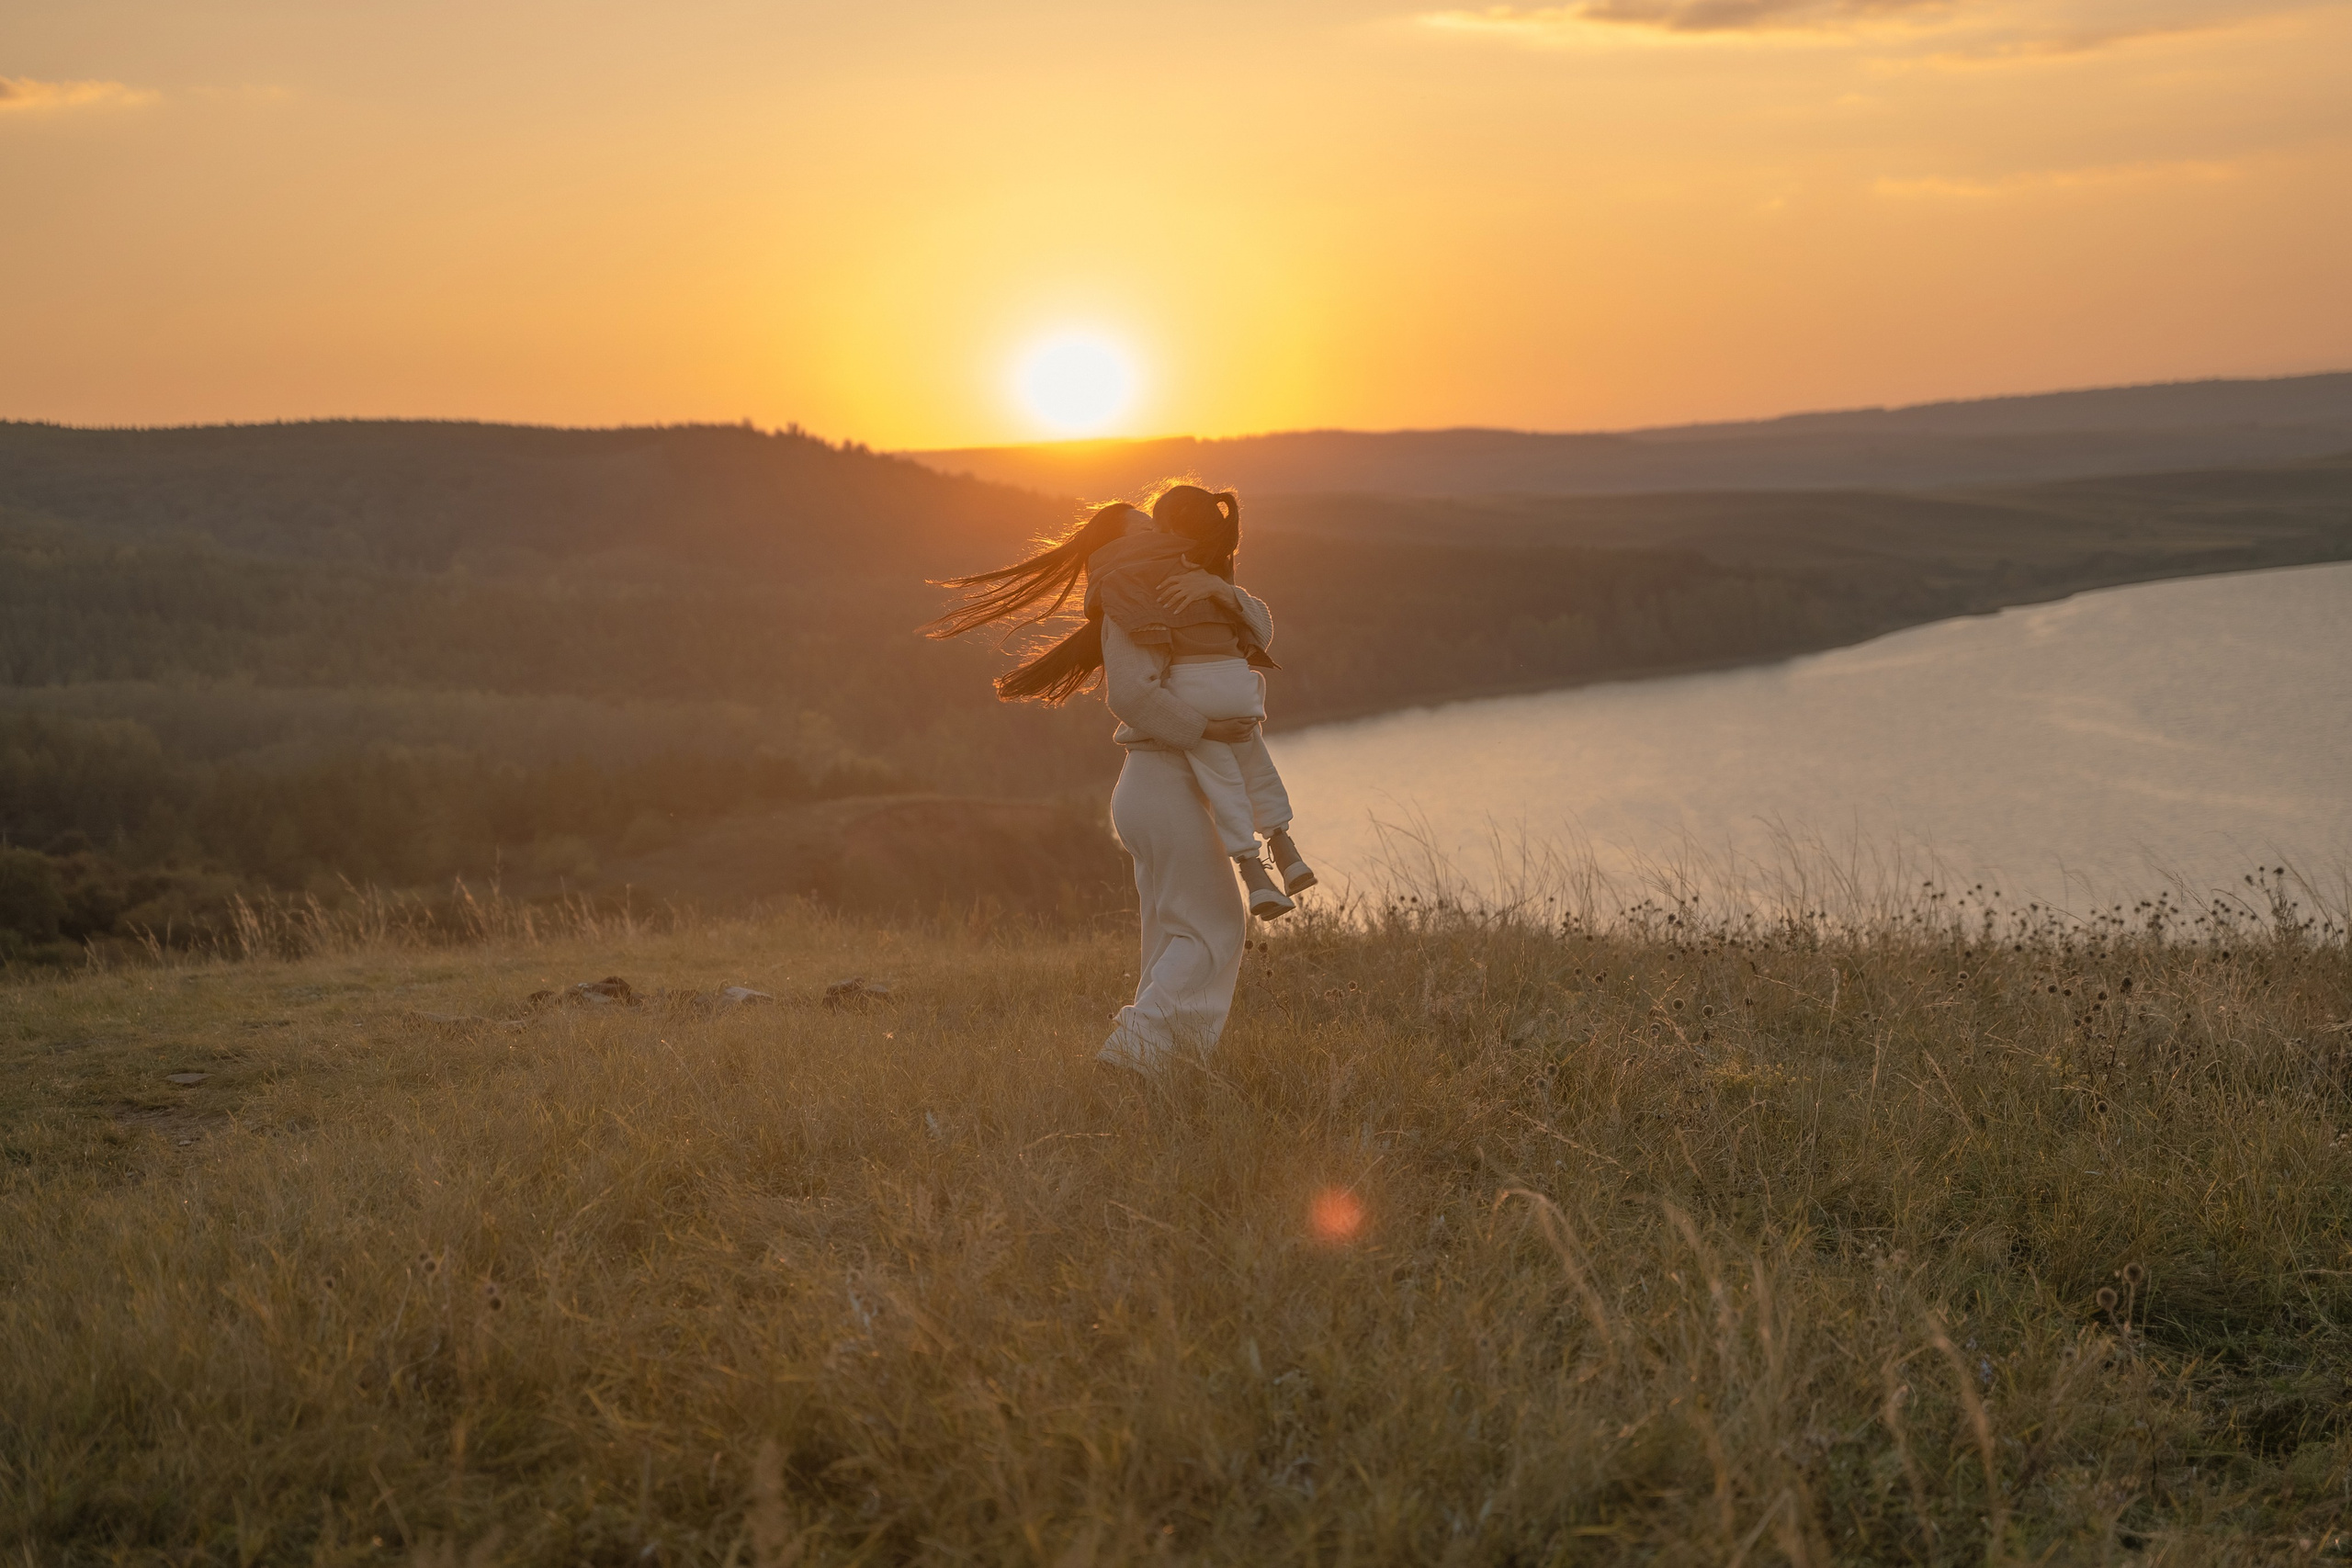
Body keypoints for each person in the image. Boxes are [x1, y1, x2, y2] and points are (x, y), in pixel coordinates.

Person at [923, 482, 1307, 1074]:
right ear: (1123, 545)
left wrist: (1219, 591)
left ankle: (1164, 1074)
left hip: (1161, 785)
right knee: (1217, 927)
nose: (1158, 530)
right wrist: (1208, 728)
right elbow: (1130, 694)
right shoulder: (1129, 599)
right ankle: (1132, 1062)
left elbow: (1257, 631)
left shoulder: (1169, 593)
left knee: (1170, 934)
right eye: (1143, 526)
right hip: (1162, 782)